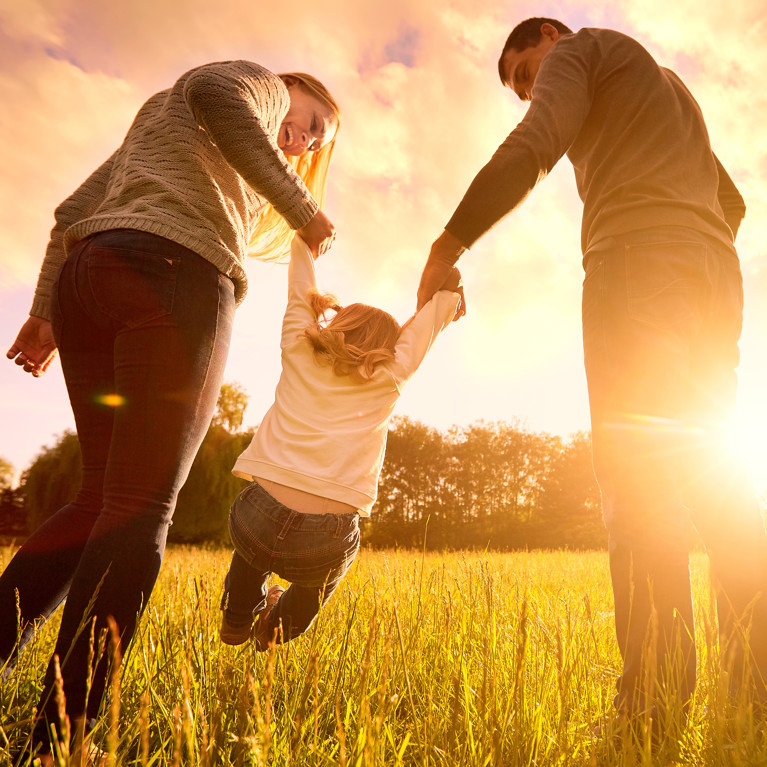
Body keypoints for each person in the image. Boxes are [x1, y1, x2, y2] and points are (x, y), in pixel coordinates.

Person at [417, 18, 767, 725]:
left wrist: (447, 241)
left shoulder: (580, 50)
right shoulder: (666, 87)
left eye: (524, 73)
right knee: (714, 481)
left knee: (636, 480)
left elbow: (536, 142)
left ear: (550, 35)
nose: (527, 92)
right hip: (711, 275)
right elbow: (728, 201)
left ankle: (652, 702)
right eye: (519, 87)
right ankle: (754, 688)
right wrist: (684, 241)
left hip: (635, 266)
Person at [2, 60, 340, 759]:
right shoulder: (251, 83)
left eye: (314, 142)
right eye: (310, 122)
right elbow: (219, 92)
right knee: (138, 509)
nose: (303, 141)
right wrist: (304, 209)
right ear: (289, 88)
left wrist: (43, 314)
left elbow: (70, 213)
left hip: (89, 280)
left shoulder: (165, 123)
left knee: (97, 498)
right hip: (175, 276)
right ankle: (61, 739)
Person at [219, 236, 462, 649]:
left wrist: (303, 242)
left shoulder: (299, 347)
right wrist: (449, 296)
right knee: (316, 585)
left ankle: (238, 618)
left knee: (252, 551)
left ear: (337, 324)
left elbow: (300, 291)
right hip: (324, 537)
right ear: (389, 348)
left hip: (256, 515)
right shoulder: (391, 375)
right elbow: (427, 326)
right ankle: (276, 632)